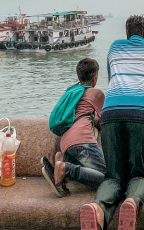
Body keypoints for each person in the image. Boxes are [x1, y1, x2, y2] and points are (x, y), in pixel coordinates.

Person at [80, 15, 144, 230]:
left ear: (128, 34)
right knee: (138, 176)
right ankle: (132, 201)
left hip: (111, 114)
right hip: (141, 116)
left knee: (113, 177)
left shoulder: (114, 48)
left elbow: (113, 82)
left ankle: (98, 208)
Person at [41, 58, 106, 197]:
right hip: (83, 142)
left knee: (87, 171)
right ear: (95, 78)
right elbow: (106, 120)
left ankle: (61, 159)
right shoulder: (96, 94)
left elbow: (79, 113)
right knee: (109, 178)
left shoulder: (72, 91)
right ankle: (65, 169)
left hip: (65, 144)